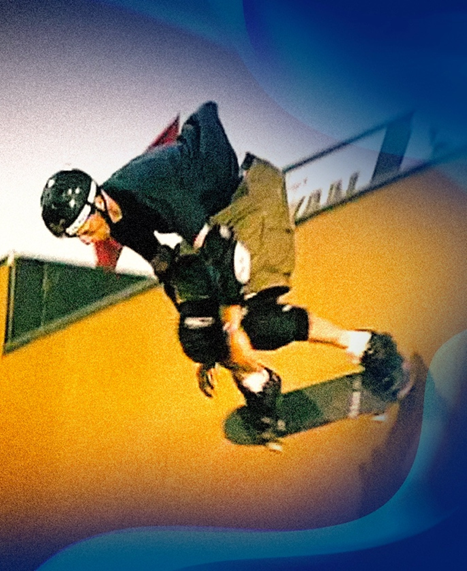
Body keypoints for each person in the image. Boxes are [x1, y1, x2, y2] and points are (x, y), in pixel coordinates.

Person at [40, 102, 407, 440]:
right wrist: (210, 344)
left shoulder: (156, 190)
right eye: (76, 236)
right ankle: (259, 381)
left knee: (256, 323)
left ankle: (367, 346)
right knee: (197, 337)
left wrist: (230, 321)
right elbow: (167, 269)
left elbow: (229, 254)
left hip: (246, 199)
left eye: (84, 229)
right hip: (207, 224)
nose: (85, 240)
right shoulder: (116, 222)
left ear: (98, 202)